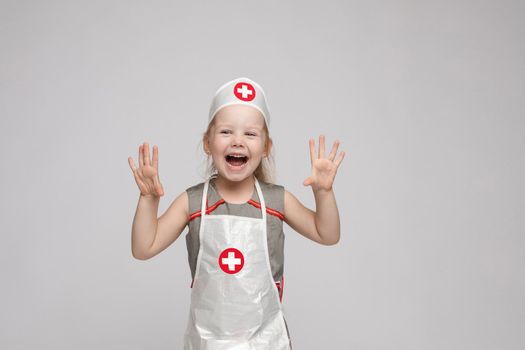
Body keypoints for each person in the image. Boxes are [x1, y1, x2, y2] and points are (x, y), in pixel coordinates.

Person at [128, 77, 345, 350]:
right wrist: (148, 199)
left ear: (266, 147)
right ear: (208, 143)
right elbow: (143, 247)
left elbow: (327, 234)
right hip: (207, 343)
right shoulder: (193, 202)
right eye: (226, 132)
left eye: (250, 134)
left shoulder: (277, 200)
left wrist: (323, 193)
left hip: (266, 343)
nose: (238, 141)